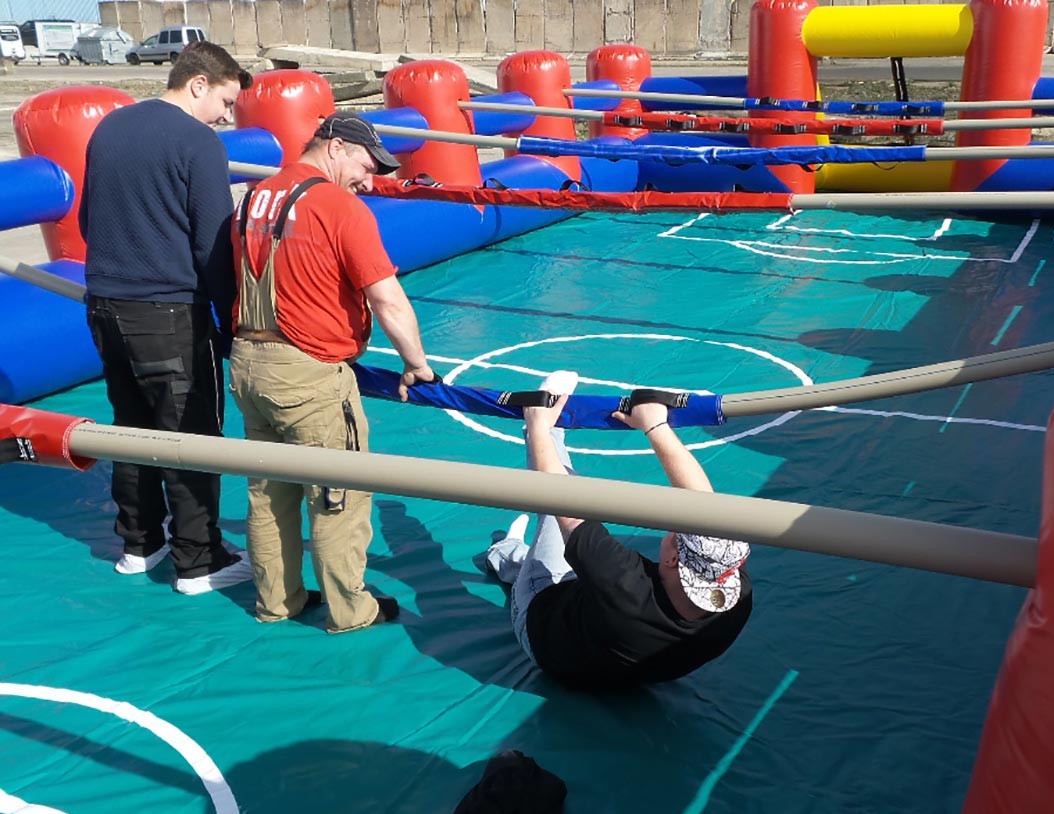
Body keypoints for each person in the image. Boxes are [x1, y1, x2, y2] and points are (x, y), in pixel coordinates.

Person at [228, 111, 437, 634]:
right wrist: (418, 365)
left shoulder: (251, 199)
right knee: (337, 497)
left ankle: (278, 601)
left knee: (269, 493)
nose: (370, 180)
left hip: (248, 365)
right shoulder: (339, 206)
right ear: (338, 147)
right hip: (309, 374)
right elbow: (387, 298)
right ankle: (350, 610)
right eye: (367, 164)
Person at [80, 41, 255, 595]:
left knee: (130, 426)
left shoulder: (109, 127)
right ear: (197, 83)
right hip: (168, 313)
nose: (227, 116)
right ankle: (199, 559)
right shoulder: (198, 143)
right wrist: (233, 325)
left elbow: (89, 218)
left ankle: (140, 542)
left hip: (105, 306)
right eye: (225, 101)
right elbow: (213, 245)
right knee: (190, 434)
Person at [486, 372, 753, 689]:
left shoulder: (620, 580)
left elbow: (559, 496)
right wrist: (657, 426)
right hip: (629, 672)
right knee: (570, 555)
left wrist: (539, 425)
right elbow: (704, 505)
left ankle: (503, 552)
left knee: (552, 531)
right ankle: (515, 560)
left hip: (544, 635)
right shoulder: (733, 595)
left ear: (671, 560)